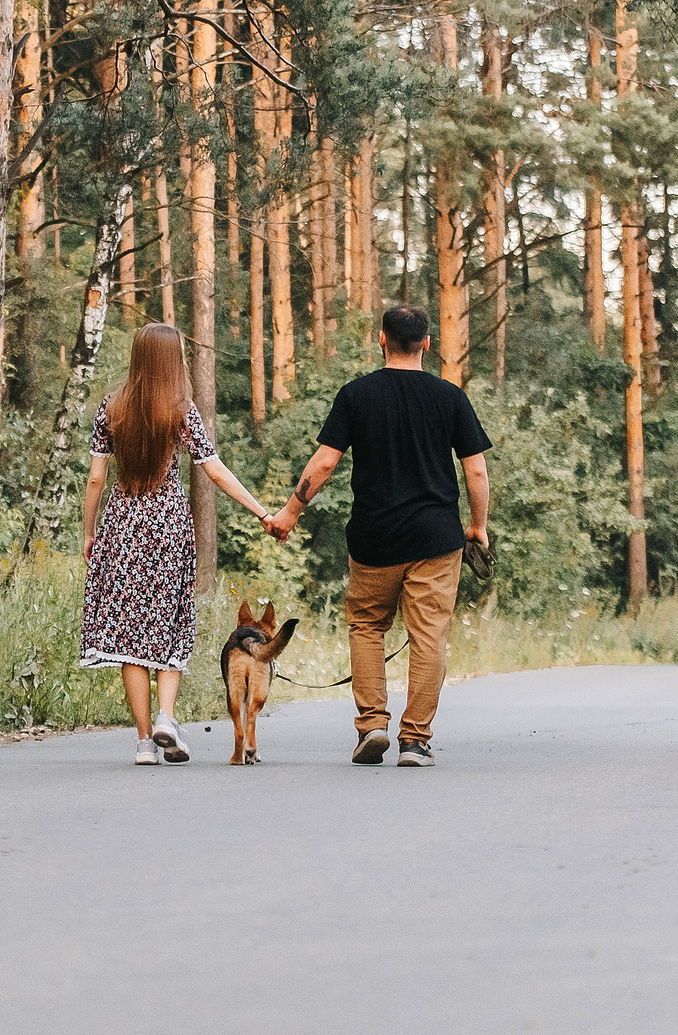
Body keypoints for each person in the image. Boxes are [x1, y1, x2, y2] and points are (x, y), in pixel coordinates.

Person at [266, 304, 490, 767]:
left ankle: (372, 726)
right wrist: (478, 527)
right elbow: (476, 470)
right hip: (435, 538)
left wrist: (290, 513)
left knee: (367, 628)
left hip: (374, 538)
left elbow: (325, 462)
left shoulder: (356, 395)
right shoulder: (450, 397)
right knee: (429, 636)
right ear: (427, 343)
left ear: (382, 340)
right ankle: (415, 741)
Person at [80, 322, 277, 766]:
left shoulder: (111, 409)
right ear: (174, 362)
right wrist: (262, 512)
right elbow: (214, 469)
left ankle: (145, 742)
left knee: (129, 636)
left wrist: (89, 531)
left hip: (123, 527)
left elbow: (96, 477)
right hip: (168, 528)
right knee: (168, 625)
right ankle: (168, 717)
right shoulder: (181, 411)